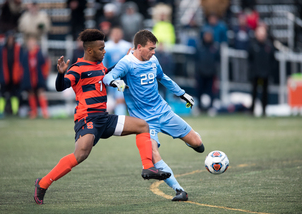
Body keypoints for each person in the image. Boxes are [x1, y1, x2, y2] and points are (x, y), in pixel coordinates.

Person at [33, 29, 171, 205]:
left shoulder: (100, 66)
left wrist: (126, 59)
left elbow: (109, 73)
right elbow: (62, 86)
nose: (104, 51)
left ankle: (148, 168)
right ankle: (43, 183)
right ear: (90, 50)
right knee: (81, 154)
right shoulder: (77, 68)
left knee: (142, 126)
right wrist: (61, 74)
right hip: (88, 119)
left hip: (104, 119)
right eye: (101, 48)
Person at [103, 30, 205, 201]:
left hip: (163, 111)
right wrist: (115, 82)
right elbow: (108, 76)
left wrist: (182, 94)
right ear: (139, 47)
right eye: (151, 49)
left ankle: (188, 140)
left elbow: (163, 78)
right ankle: (180, 191)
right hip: (145, 121)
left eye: (154, 48)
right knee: (153, 153)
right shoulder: (127, 63)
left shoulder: (153, 60)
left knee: (198, 144)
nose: (154, 52)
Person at [0, 31, 23, 117]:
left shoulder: (18, 48)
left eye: (12, 38)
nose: (10, 40)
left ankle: (15, 111)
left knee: (15, 94)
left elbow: (21, 62)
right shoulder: (1, 49)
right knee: (2, 94)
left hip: (14, 76)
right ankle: (0, 111)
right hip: (4, 75)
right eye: (9, 38)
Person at [103, 27, 131, 115]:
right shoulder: (106, 46)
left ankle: (121, 118)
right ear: (111, 35)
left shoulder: (126, 46)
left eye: (118, 33)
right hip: (110, 76)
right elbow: (103, 63)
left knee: (120, 98)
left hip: (122, 77)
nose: (116, 36)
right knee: (111, 99)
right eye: (115, 33)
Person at [248, 24, 275, 117]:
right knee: (254, 92)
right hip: (255, 72)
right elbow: (250, 59)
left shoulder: (269, 46)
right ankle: (252, 111)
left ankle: (264, 111)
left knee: (265, 93)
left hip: (265, 73)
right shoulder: (253, 45)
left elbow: (272, 59)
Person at [20, 36, 50, 119]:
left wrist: (44, 75)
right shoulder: (26, 54)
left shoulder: (39, 53)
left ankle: (45, 112)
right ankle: (34, 111)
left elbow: (45, 65)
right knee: (31, 93)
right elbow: (22, 67)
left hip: (39, 77)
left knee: (41, 93)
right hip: (29, 78)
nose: (31, 45)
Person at [195, 28, 220, 112]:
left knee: (211, 92)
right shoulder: (199, 47)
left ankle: (211, 107)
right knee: (199, 91)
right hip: (201, 73)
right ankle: (199, 107)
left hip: (211, 73)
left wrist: (214, 71)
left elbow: (217, 61)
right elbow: (196, 60)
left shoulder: (215, 48)